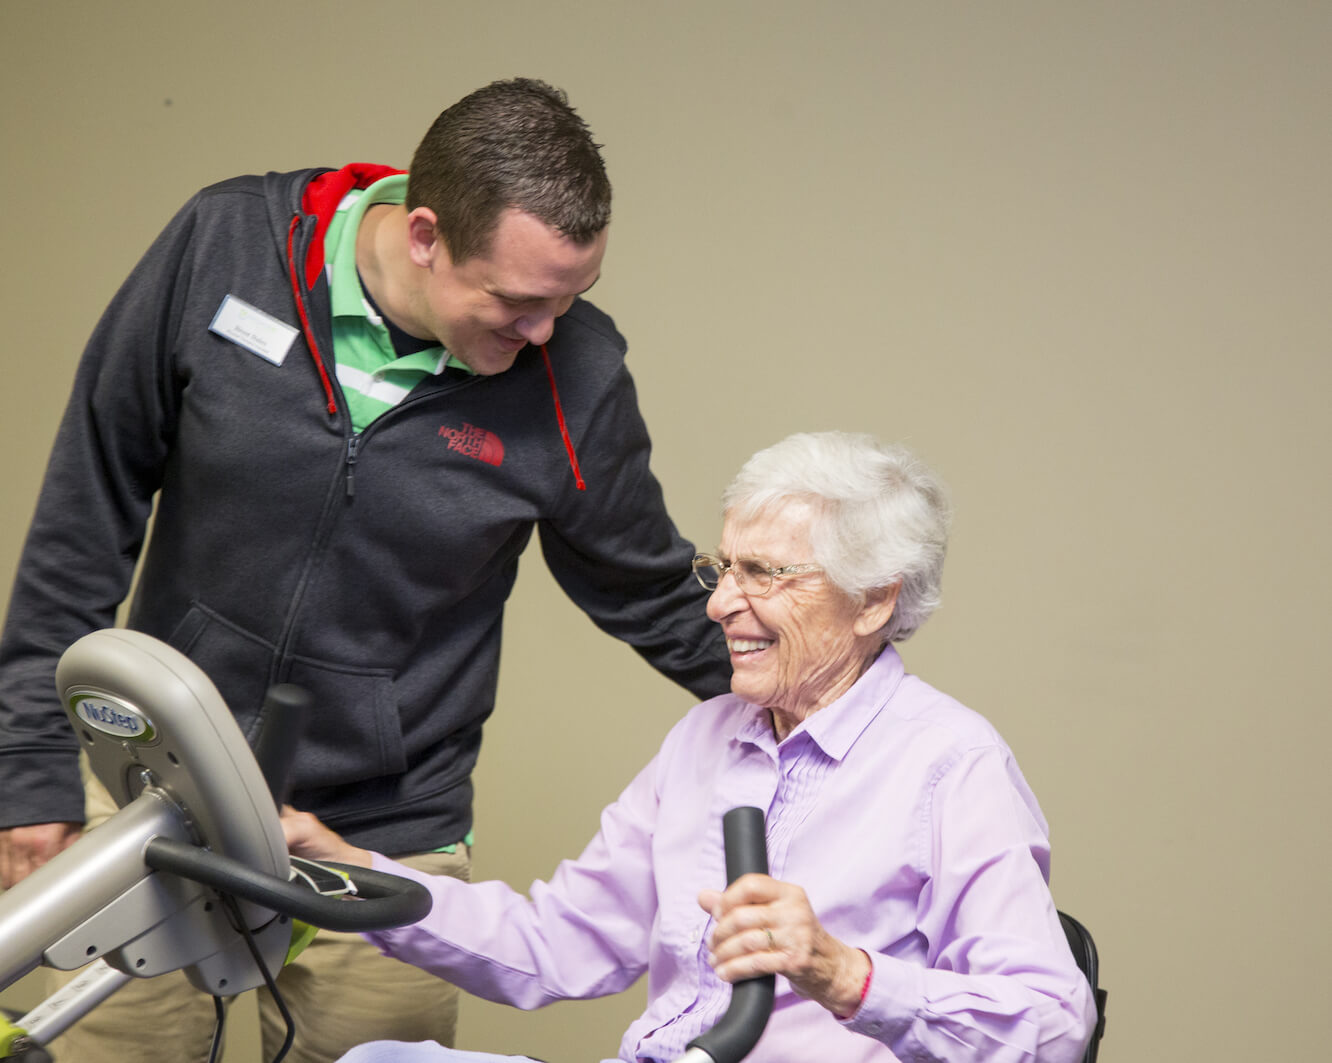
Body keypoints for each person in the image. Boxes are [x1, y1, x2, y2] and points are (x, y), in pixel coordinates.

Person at [0, 78, 730, 1062]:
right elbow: (86, 507)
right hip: (153, 794)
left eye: (570, 302)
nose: (546, 334)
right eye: (515, 303)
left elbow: (647, 589)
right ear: (424, 234)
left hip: (390, 830)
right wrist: (33, 766)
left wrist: (850, 710)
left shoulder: (573, 372)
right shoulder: (227, 248)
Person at [282, 431, 1099, 1063]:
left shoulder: (951, 762)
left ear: (873, 601)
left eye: (765, 574)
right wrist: (344, 869)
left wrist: (841, 971)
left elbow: (1055, 1027)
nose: (720, 607)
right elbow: (556, 943)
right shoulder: (706, 737)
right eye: (722, 568)